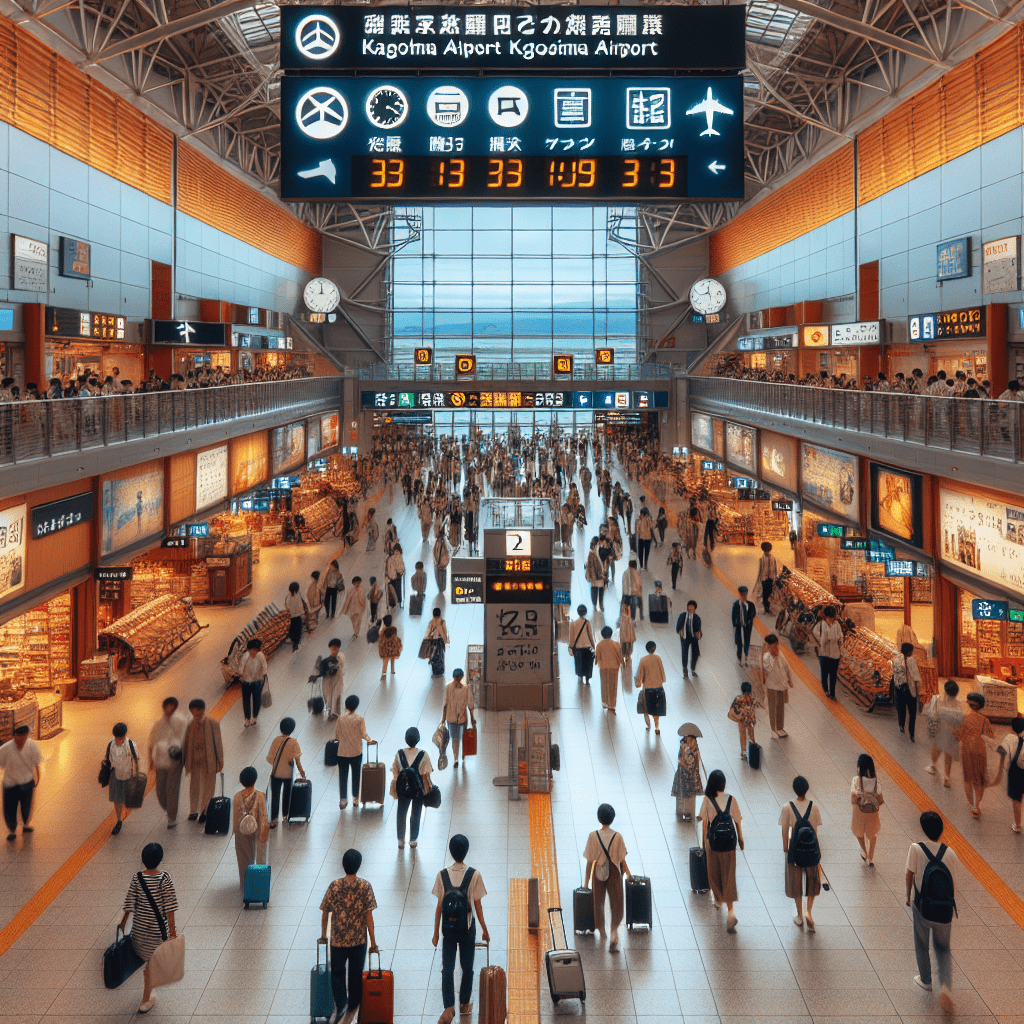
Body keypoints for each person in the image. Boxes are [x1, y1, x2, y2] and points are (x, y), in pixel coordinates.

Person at [432, 834, 489, 1024]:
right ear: (466, 851)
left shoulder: (442, 875)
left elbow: (439, 906)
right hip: (467, 929)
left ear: (450, 851)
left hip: (447, 930)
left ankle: (448, 1008)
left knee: (447, 968)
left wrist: (435, 933)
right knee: (467, 967)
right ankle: (464, 1003)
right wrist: (484, 928)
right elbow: (477, 905)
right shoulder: (475, 875)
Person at [906, 810, 959, 1013]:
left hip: (923, 907)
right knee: (943, 949)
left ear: (923, 829)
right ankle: (945, 988)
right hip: (944, 910)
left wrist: (907, 896)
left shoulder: (916, 848)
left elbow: (909, 874)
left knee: (921, 942)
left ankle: (926, 980)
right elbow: (953, 882)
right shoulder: (950, 853)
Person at [320, 848, 378, 1024]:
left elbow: (325, 912)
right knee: (355, 975)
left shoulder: (334, 886)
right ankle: (352, 1007)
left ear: (343, 865)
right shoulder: (365, 886)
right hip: (358, 941)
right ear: (358, 866)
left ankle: (341, 1003)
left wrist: (324, 935)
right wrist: (373, 942)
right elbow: (369, 916)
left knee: (337, 974)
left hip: (337, 939)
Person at [119, 843, 178, 1014]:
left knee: (148, 961)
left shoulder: (137, 878)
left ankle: (148, 987)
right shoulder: (164, 878)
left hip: (139, 929)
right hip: (158, 931)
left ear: (143, 860)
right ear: (160, 859)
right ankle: (147, 997)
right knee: (152, 963)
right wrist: (172, 932)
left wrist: (123, 922)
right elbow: (170, 907)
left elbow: (129, 902)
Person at [698, 769, 744, 932]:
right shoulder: (731, 799)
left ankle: (718, 899)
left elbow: (704, 821)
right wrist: (740, 838)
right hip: (730, 844)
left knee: (713, 873)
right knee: (728, 875)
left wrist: (704, 842)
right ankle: (730, 912)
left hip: (714, 843)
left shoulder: (707, 800)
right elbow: (737, 820)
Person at [583, 804, 631, 949]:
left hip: (598, 870)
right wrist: (629, 874)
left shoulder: (593, 836)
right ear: (612, 818)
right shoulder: (617, 837)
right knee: (616, 903)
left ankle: (602, 931)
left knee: (598, 902)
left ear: (599, 818)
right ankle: (614, 931)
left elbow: (590, 861)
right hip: (615, 871)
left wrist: (586, 882)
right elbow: (622, 860)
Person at [779, 775, 822, 930]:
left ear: (794, 789)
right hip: (811, 850)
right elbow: (815, 832)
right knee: (812, 883)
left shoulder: (787, 807)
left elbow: (785, 832)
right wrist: (817, 853)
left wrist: (786, 851)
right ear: (806, 789)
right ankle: (809, 912)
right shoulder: (814, 807)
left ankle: (799, 915)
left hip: (795, 851)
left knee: (796, 884)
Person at [147, 697, 187, 829]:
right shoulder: (159, 723)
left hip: (175, 760)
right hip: (160, 761)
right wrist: (150, 761)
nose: (169, 709)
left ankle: (172, 817)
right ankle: (168, 807)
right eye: (167, 706)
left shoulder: (180, 720)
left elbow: (185, 739)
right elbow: (151, 742)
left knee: (172, 789)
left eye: (172, 706)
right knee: (160, 790)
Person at [391, 727, 434, 848]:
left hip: (403, 788)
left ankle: (400, 839)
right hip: (417, 789)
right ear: (418, 739)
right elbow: (426, 774)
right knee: (416, 813)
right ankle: (413, 839)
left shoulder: (399, 754)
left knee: (401, 812)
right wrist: (428, 789)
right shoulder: (423, 755)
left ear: (406, 739)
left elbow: (395, 770)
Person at [182, 698, 224, 823]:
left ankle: (205, 811)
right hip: (195, 761)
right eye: (194, 710)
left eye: (198, 710)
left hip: (209, 760)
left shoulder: (212, 723)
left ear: (203, 709)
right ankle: (193, 810)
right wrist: (184, 760)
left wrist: (220, 760)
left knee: (208, 787)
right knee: (194, 786)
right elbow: (186, 743)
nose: (196, 713)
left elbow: (218, 743)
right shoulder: (190, 725)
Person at [0, 723, 43, 840]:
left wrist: (38, 777)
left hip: (27, 781)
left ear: (26, 735)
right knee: (9, 808)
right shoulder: (6, 748)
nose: (21, 740)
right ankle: (12, 831)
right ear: (15, 736)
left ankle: (25, 824)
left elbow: (36, 763)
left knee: (26, 806)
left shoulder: (31, 746)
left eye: (23, 737)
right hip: (10, 783)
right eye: (19, 737)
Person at [958, 692, 994, 818]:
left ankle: (971, 805)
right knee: (979, 780)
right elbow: (990, 736)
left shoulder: (964, 718)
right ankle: (977, 806)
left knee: (968, 779)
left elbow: (958, 735)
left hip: (966, 750)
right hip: (980, 751)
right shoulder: (984, 720)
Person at [232, 766, 269, 889]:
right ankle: (259, 883)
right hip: (257, 831)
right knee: (260, 857)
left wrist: (236, 831)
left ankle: (245, 883)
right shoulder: (260, 796)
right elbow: (263, 816)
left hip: (241, 832)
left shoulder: (237, 796)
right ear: (255, 780)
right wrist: (264, 833)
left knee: (243, 858)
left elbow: (236, 817)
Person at [266, 718, 305, 828]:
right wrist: (302, 773)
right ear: (292, 729)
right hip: (288, 774)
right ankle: (285, 815)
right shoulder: (293, 742)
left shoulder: (276, 740)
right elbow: (297, 760)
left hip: (276, 773)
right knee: (287, 794)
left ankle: (273, 819)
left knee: (275, 796)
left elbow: (270, 759)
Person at [335, 695, 373, 809]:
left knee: (343, 775)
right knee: (356, 775)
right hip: (356, 752)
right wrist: (369, 740)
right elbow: (363, 734)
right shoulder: (359, 719)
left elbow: (336, 734)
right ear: (356, 707)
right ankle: (355, 798)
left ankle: (343, 798)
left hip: (342, 752)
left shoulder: (340, 718)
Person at [925, 680, 963, 787]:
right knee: (948, 755)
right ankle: (947, 777)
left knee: (936, 750)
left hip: (940, 732)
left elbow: (933, 715)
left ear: (945, 691)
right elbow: (961, 721)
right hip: (952, 735)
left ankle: (934, 765)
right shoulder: (958, 706)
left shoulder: (939, 701)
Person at [106, 722, 140, 836]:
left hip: (127, 776)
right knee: (117, 799)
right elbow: (109, 759)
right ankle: (119, 820)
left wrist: (136, 775)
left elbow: (136, 760)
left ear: (124, 736)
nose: (117, 740)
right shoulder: (111, 744)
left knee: (125, 798)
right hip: (116, 776)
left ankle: (124, 809)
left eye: (119, 737)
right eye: (116, 737)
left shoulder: (130, 745)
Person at [851, 753, 884, 866]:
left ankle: (864, 852)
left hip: (859, 812)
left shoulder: (856, 780)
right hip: (872, 812)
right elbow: (881, 800)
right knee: (872, 835)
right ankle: (870, 857)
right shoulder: (876, 782)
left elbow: (853, 799)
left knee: (859, 834)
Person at [441, 668, 476, 768]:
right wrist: (472, 717)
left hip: (452, 718)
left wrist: (443, 719)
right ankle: (460, 756)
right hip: (461, 717)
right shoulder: (465, 688)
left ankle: (457, 758)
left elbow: (445, 704)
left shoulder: (449, 687)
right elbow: (470, 705)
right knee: (461, 738)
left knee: (455, 739)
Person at [761, 634, 794, 739]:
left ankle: (780, 728)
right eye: (774, 646)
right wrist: (773, 657)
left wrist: (789, 679)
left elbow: (786, 667)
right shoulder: (766, 657)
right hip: (772, 686)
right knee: (772, 708)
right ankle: (773, 729)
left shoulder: (781, 654)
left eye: (777, 645)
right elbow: (768, 669)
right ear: (769, 646)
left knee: (781, 707)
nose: (777, 648)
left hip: (782, 685)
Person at [995, 716, 1024, 833]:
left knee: (1016, 800)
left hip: (1015, 771)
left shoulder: (1010, 737)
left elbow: (1002, 751)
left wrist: (1000, 770)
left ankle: (1017, 825)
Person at [671, 724, 703, 821]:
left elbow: (681, 758)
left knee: (682, 792)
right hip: (693, 773)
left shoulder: (683, 743)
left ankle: (681, 810)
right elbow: (696, 758)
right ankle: (689, 811)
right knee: (690, 793)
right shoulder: (695, 744)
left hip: (682, 772)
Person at [811, 605, 844, 700]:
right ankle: (825, 689)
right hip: (824, 653)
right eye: (830, 618)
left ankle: (832, 694)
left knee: (833, 674)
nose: (832, 619)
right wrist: (821, 640)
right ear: (826, 617)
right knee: (824, 672)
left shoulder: (837, 624)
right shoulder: (821, 624)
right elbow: (814, 632)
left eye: (833, 618)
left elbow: (840, 634)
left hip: (834, 653)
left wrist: (839, 638)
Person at [635, 639, 667, 734]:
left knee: (646, 708)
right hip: (658, 687)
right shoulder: (658, 658)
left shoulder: (643, 660)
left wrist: (638, 683)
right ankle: (657, 727)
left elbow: (640, 674)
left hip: (648, 688)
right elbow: (663, 674)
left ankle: (648, 725)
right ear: (655, 648)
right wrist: (662, 680)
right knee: (656, 710)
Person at [892, 641, 922, 740]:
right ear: (910, 652)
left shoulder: (895, 659)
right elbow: (916, 676)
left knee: (901, 709)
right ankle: (911, 733)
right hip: (909, 689)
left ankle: (901, 725)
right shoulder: (911, 661)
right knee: (912, 712)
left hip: (898, 687)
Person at [727, 681, 760, 761]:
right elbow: (756, 705)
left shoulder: (738, 699)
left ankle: (744, 752)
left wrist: (737, 717)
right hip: (750, 720)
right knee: (751, 735)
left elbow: (732, 711)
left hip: (742, 720)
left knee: (742, 735)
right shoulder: (752, 699)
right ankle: (752, 750)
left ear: (742, 690)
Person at [239, 637, 267, 728]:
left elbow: (264, 666)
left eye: (256, 649)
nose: (254, 651)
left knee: (257, 700)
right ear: (249, 649)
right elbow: (241, 667)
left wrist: (263, 674)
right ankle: (247, 719)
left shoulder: (260, 656)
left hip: (257, 682)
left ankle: (254, 717)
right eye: (252, 649)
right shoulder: (246, 656)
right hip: (246, 682)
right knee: (246, 701)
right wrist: (241, 674)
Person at [595, 625, 624, 713]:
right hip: (614, 667)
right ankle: (612, 704)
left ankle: (605, 702)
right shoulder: (616, 644)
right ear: (611, 634)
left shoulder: (599, 645)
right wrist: (621, 663)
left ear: (602, 635)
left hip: (603, 666)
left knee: (604, 684)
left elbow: (597, 657)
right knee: (613, 685)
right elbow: (619, 656)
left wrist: (597, 662)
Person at [569, 604, 596, 685]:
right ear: (585, 612)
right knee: (588, 664)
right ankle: (587, 679)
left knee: (579, 663)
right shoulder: (587, 623)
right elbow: (590, 636)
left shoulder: (573, 623)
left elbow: (571, 637)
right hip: (587, 647)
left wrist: (570, 647)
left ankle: (580, 677)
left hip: (578, 647)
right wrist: (593, 645)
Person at [730, 586, 756, 666]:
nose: (741, 596)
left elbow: (753, 614)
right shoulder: (736, 604)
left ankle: (746, 658)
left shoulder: (751, 605)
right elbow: (733, 616)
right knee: (739, 643)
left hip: (747, 627)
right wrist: (735, 624)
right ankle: (739, 658)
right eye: (740, 594)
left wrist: (748, 621)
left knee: (747, 642)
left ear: (745, 595)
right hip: (738, 626)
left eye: (743, 594)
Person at [320, 638, 345, 719]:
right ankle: (332, 710)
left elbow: (341, 666)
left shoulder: (340, 657)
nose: (335, 649)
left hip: (337, 679)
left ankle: (335, 712)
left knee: (336, 694)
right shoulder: (326, 661)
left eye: (336, 647)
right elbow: (322, 671)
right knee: (329, 694)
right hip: (328, 680)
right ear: (330, 648)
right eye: (333, 647)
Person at [676, 600, 701, 678]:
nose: (690, 610)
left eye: (692, 609)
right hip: (685, 637)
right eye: (689, 609)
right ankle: (685, 669)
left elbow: (699, 630)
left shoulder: (697, 618)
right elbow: (678, 627)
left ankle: (693, 669)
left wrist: (699, 635)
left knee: (695, 653)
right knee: (685, 653)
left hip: (693, 638)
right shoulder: (682, 616)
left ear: (694, 609)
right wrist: (679, 631)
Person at [753, 541, 779, 613]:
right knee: (769, 593)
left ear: (762, 549)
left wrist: (758, 581)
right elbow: (775, 570)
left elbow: (760, 571)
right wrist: (775, 578)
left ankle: (766, 608)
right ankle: (768, 607)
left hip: (764, 580)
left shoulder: (761, 559)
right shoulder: (773, 558)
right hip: (771, 579)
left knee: (765, 594)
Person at [424, 607, 450, 677]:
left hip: (433, 642)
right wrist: (446, 640)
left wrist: (427, 640)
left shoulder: (431, 622)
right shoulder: (442, 622)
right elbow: (445, 631)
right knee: (441, 656)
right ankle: (441, 671)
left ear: (433, 614)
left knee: (433, 657)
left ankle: (434, 672)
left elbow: (428, 633)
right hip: (440, 642)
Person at [585, 537, 607, 611]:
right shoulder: (591, 554)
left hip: (599, 576)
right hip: (596, 577)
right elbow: (591, 567)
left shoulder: (596, 552)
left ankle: (600, 605)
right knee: (595, 590)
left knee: (600, 590)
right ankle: (595, 606)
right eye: (598, 543)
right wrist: (594, 577)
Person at [378, 614, 402, 680]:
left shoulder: (383, 631)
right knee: (392, 658)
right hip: (393, 648)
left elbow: (381, 641)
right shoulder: (394, 629)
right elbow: (395, 638)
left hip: (386, 649)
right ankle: (392, 670)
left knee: (385, 661)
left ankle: (384, 674)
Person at [285, 581, 306, 652]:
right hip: (298, 616)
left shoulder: (289, 597)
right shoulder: (298, 595)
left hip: (292, 616)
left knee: (293, 629)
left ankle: (293, 641)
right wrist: (302, 613)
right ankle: (296, 644)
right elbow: (300, 605)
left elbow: (287, 606)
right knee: (298, 630)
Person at [618, 596, 635, 661]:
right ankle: (627, 654)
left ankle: (625, 654)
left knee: (625, 642)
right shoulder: (626, 609)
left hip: (625, 627)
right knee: (628, 642)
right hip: (628, 627)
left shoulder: (623, 610)